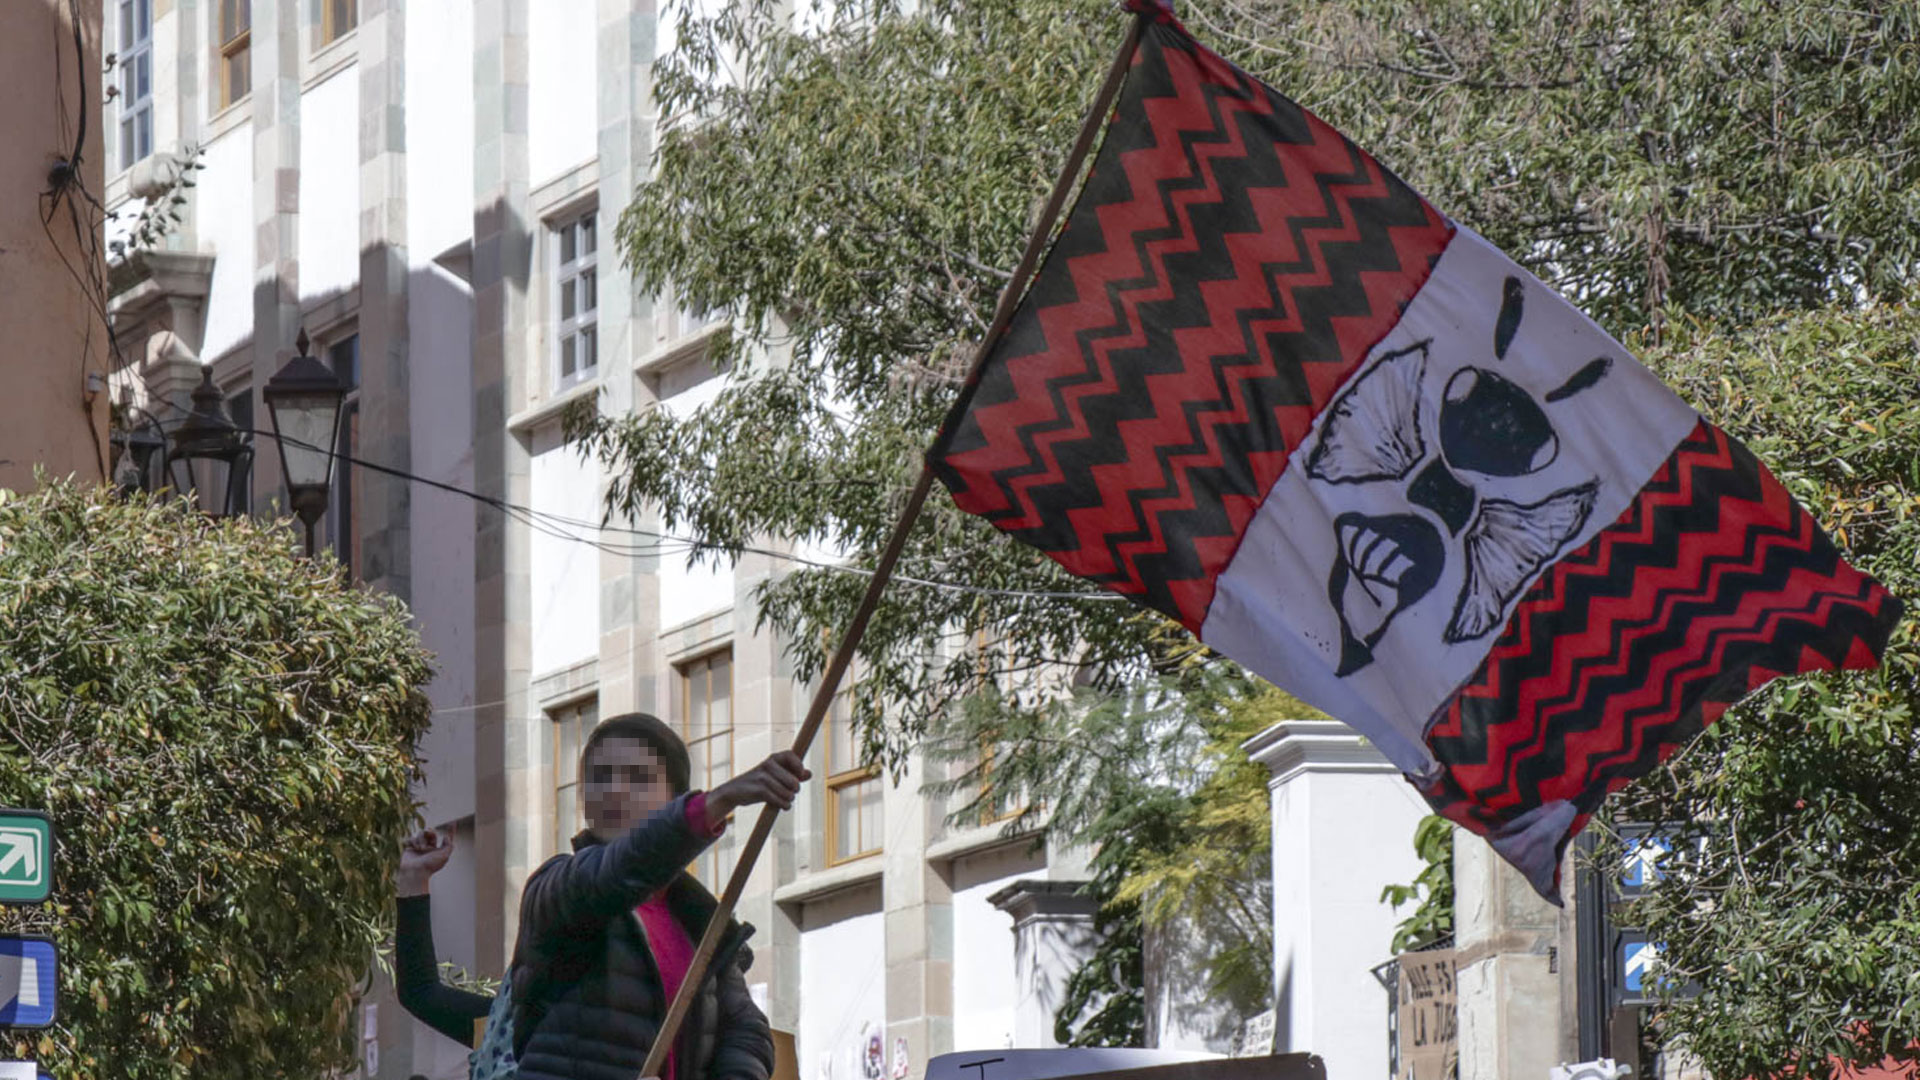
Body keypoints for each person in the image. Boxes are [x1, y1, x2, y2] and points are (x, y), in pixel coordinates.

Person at [509, 712, 805, 1080]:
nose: (614, 790)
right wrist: (721, 800)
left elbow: (748, 1036)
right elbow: (618, 870)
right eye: (599, 777)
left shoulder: (703, 923)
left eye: (638, 778)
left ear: (674, 799)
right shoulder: (558, 887)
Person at [395, 827, 494, 1047]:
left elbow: (419, 993)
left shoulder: (522, 1029)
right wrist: (414, 877)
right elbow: (420, 993)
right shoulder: (519, 1027)